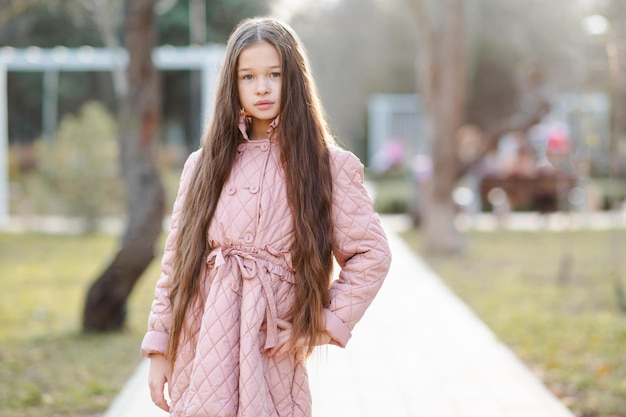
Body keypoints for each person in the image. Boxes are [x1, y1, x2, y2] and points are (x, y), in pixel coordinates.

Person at [140, 17, 392, 417]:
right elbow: (174, 262)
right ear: (233, 85)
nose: (262, 87)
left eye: (274, 74)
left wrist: (322, 323)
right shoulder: (203, 166)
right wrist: (159, 348)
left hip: (269, 343)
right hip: (203, 338)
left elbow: (372, 255)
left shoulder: (327, 166)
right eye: (248, 76)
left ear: (293, 78)